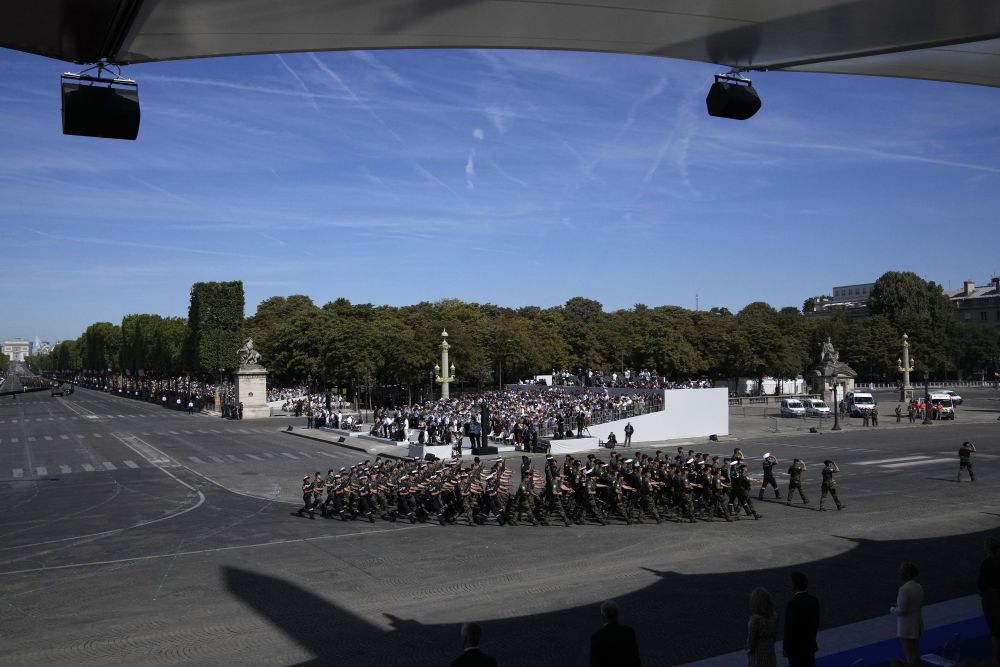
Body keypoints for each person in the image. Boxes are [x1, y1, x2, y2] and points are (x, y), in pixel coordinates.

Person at [890, 561, 924, 667]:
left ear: (907, 574)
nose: (900, 573)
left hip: (907, 628)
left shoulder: (904, 589)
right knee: (916, 654)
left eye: (902, 571)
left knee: (910, 656)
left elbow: (902, 611)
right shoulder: (918, 586)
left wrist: (892, 609)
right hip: (917, 624)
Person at [783, 571, 819, 667]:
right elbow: (816, 623)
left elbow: (789, 628)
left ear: (795, 585)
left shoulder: (792, 604)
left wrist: (786, 648)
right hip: (809, 645)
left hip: (796, 649)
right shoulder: (814, 601)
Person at [590, 599, 640, 667]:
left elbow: (594, 664)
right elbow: (636, 659)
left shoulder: (597, 637)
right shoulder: (629, 632)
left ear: (603, 616)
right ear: (617, 614)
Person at [978, 537, 1000, 665]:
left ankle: (997, 658)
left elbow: (982, 583)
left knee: (995, 630)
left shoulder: (987, 563)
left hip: (991, 598)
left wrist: (982, 593)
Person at [746, 587, 778, 667]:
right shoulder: (774, 617)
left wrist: (748, 648)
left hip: (758, 656)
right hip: (770, 653)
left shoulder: (755, 620)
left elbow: (751, 640)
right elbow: (774, 635)